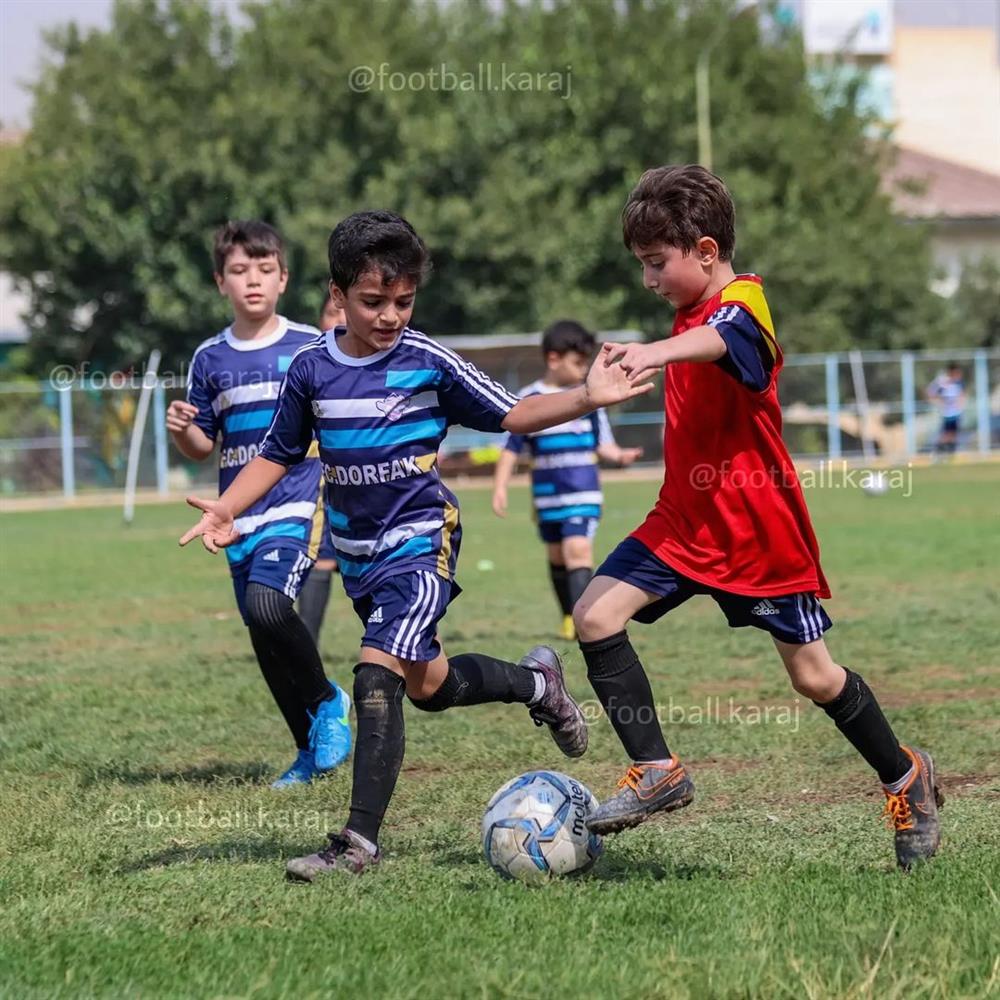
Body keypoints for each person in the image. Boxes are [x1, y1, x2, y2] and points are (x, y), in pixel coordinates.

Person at [179, 210, 653, 879]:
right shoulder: (311, 370)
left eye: (403, 301)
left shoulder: (427, 362)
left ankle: (356, 844)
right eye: (373, 302)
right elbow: (280, 452)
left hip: (422, 542)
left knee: (375, 673)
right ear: (338, 297)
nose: (390, 315)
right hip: (358, 556)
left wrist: (585, 395)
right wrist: (226, 506)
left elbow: (514, 412)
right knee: (427, 685)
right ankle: (536, 682)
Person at [572, 165, 942, 870]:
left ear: (706, 252)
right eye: (642, 265)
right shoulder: (687, 316)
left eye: (657, 263)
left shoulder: (745, 304)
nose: (648, 280)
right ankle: (657, 771)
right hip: (681, 524)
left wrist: (654, 349)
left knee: (813, 677)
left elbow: (726, 336)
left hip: (755, 533)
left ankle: (905, 776)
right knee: (593, 615)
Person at [166, 220, 352, 789]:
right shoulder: (209, 359)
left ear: (284, 278)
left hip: (296, 505)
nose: (253, 281)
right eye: (240, 271)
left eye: (265, 270)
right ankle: (305, 751)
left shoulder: (308, 346)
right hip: (234, 517)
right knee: (262, 633)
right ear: (220, 281)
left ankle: (328, 700)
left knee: (270, 607)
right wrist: (182, 433)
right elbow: (205, 443)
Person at [492, 320, 642, 640]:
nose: (584, 369)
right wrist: (501, 487)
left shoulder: (589, 398)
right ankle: (567, 615)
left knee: (577, 551)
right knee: (558, 557)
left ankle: (584, 621)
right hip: (546, 498)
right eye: (578, 362)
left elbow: (603, 443)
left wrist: (620, 456)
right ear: (553, 359)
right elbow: (511, 449)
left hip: (583, 494)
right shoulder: (529, 399)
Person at [296, 292, 347, 643]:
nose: (341, 320)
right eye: (332, 313)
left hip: (374, 486)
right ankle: (306, 650)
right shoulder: (310, 366)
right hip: (319, 482)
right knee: (322, 557)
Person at [927, 362, 966, 457]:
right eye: (957, 373)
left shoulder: (958, 383)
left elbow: (961, 395)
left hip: (956, 413)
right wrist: (938, 402)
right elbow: (931, 393)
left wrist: (960, 404)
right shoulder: (942, 382)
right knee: (946, 434)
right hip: (946, 413)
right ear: (951, 372)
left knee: (953, 434)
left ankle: (950, 453)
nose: (959, 375)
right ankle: (937, 452)